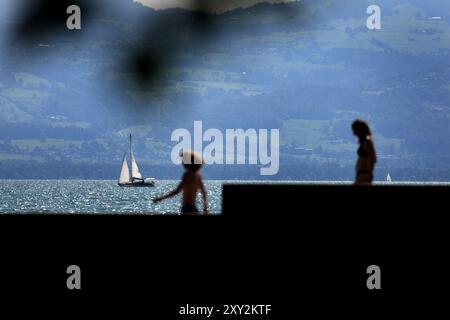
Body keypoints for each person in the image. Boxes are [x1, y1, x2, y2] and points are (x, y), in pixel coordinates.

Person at [153, 151, 208, 215]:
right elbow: (203, 192)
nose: (182, 163)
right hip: (193, 207)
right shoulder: (197, 176)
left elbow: (177, 191)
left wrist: (161, 198)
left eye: (183, 161)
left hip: (186, 208)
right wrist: (205, 208)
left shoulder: (187, 175)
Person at [352, 120, 377, 185]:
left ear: (359, 130)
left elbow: (373, 158)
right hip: (360, 175)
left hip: (364, 175)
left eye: (354, 130)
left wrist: (370, 173)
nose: (353, 133)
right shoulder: (363, 142)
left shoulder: (367, 141)